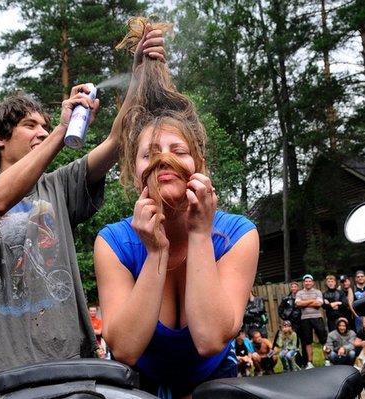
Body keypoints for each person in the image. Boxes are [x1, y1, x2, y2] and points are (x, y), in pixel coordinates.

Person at [0, 20, 166, 397]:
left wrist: (140, 70)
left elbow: (119, 135)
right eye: (30, 125)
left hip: (73, 364)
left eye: (45, 125)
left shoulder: (58, 185)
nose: (41, 132)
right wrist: (60, 133)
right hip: (0, 372)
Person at [94, 16, 259, 399]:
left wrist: (200, 233)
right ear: (133, 175)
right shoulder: (113, 242)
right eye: (148, 154)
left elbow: (209, 340)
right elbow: (126, 349)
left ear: (199, 166)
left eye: (178, 151)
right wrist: (156, 250)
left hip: (215, 387)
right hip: (139, 390)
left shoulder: (238, 234)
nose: (163, 160)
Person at [295, 274, 327, 369]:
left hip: (317, 317)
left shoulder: (317, 292)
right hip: (305, 319)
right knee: (307, 341)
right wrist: (312, 301)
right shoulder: (299, 293)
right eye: (306, 281)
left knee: (323, 339)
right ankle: (310, 362)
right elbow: (298, 304)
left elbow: (319, 303)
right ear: (303, 282)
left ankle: (327, 359)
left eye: (309, 281)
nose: (308, 283)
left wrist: (305, 302)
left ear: (312, 282)